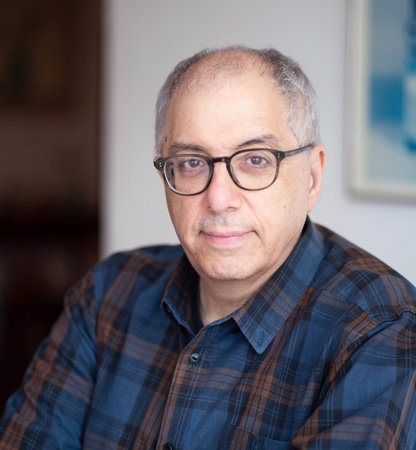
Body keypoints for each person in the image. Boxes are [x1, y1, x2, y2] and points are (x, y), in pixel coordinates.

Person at [1, 46, 416, 449]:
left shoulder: (380, 331)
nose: (218, 199)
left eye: (256, 159)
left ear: (312, 177)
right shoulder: (107, 294)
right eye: (191, 162)